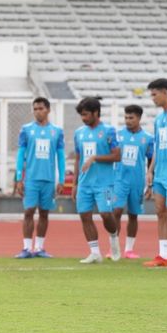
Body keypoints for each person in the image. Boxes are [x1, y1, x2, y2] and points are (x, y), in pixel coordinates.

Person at [14, 97, 65, 259]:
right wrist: (18, 178)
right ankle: (27, 248)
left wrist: (61, 179)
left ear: (48, 110)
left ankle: (40, 247)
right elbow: (21, 154)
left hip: (49, 179)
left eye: (41, 108)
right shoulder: (26, 130)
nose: (37, 112)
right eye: (35, 109)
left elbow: (61, 157)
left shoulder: (57, 131)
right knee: (29, 211)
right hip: (31, 179)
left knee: (44, 213)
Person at [72, 97, 121, 264]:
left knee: (106, 214)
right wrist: (75, 183)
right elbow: (78, 159)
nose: (83, 118)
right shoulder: (79, 133)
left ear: (95, 113)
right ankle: (94, 253)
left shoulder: (109, 131)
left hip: (105, 183)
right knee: (85, 216)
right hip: (84, 183)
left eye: (86, 115)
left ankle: (114, 238)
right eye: (81, 115)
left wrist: (94, 158)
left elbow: (117, 156)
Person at [113, 105, 154, 260]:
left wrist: (151, 183)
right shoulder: (118, 136)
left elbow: (151, 160)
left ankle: (129, 250)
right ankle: (114, 247)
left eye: (131, 118)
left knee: (133, 215)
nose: (128, 121)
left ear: (139, 118)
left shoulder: (148, 138)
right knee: (116, 211)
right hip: (119, 180)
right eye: (126, 118)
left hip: (137, 182)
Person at [143, 78, 167, 267]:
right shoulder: (159, 119)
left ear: (165, 92)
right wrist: (150, 170)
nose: (152, 98)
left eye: (154, 94)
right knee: (160, 212)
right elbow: (157, 147)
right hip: (161, 173)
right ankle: (163, 256)